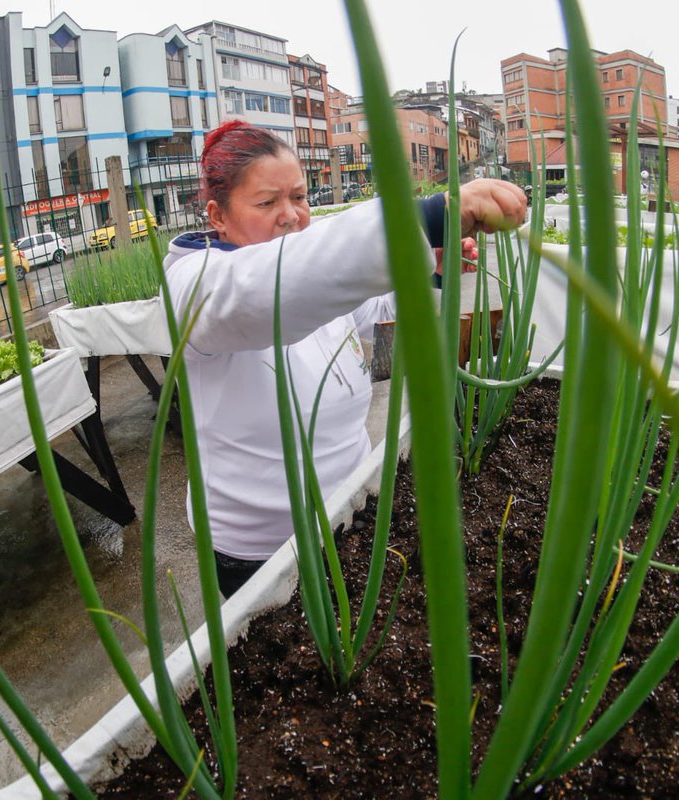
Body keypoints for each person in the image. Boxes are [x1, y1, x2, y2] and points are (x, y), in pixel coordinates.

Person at [163, 120, 527, 597]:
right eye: (268, 202)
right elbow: (268, 289)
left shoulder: (309, 270)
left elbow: (375, 319)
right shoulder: (194, 287)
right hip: (262, 553)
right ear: (217, 215)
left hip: (354, 510)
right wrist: (422, 218)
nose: (291, 215)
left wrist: (429, 269)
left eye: (299, 197)